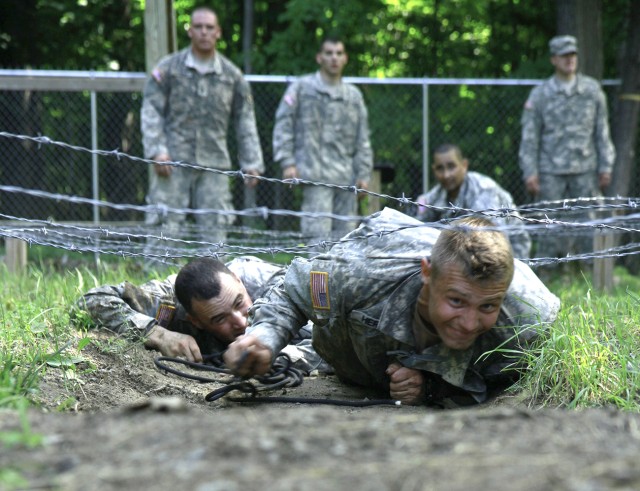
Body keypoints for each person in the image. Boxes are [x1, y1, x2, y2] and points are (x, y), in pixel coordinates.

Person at [223, 208, 560, 407]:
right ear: (428, 272)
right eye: (456, 301)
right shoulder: (359, 274)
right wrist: (265, 338)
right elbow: (290, 288)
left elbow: (508, 387)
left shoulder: (525, 328)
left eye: (488, 305)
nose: (470, 323)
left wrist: (431, 388)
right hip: (342, 335)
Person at [76, 256, 329, 374]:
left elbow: (331, 333)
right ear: (194, 320)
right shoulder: (171, 301)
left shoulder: (271, 282)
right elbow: (91, 301)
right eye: (220, 319)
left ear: (239, 282)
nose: (241, 322)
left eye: (239, 303)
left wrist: (284, 357)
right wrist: (158, 334)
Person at [141, 6, 264, 247]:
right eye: (198, 27)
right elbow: (151, 110)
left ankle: (214, 284)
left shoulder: (232, 76)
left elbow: (245, 120)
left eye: (209, 28)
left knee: (215, 232)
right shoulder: (168, 68)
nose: (204, 32)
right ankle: (154, 283)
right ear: (190, 31)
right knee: (164, 227)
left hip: (214, 164)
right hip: (172, 161)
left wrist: (252, 162)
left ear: (218, 32)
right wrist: (157, 150)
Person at [518, 35, 615, 262]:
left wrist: (606, 165)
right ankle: (549, 270)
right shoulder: (540, 94)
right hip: (550, 170)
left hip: (586, 168)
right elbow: (530, 136)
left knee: (589, 222)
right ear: (554, 59)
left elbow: (602, 131)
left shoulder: (592, 91)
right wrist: (530, 171)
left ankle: (590, 271)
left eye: (572, 54)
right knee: (548, 222)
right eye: (564, 55)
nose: (569, 60)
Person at [272, 36, 374, 244]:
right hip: (314, 177)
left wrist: (363, 174)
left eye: (338, 53)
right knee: (317, 244)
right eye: (329, 53)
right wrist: (288, 162)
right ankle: (316, 278)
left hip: (346, 180)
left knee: (345, 243)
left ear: (345, 58)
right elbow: (283, 124)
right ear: (319, 57)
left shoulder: (353, 96)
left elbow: (362, 138)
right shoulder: (301, 88)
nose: (334, 58)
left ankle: (339, 278)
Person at [415, 143, 531, 259]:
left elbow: (492, 241)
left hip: (510, 255)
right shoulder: (431, 197)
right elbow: (418, 231)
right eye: (440, 168)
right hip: (462, 254)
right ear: (434, 170)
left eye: (451, 166)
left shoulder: (484, 190)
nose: (446, 175)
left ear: (464, 165)